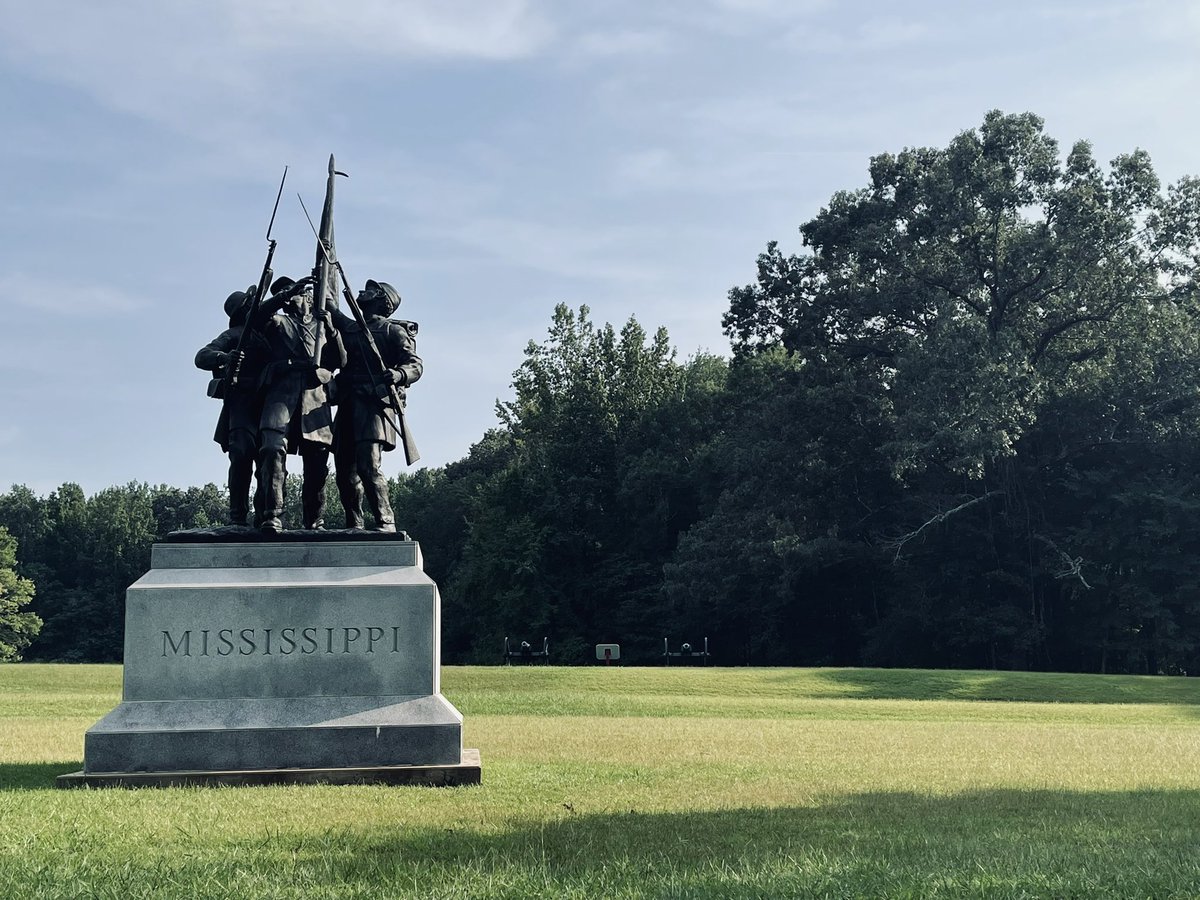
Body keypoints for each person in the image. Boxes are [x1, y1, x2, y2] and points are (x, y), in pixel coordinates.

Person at [253, 275, 347, 532]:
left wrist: (332, 330)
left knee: (317, 464)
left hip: (314, 400)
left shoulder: (322, 325)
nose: (286, 296)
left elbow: (340, 361)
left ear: (306, 295)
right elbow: (256, 317)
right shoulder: (278, 322)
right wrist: (284, 295)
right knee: (272, 449)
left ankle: (314, 521)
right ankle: (273, 515)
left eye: (291, 290)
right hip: (280, 396)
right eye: (281, 293)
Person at [331, 280, 422, 532]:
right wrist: (326, 268)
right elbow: (330, 306)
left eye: (369, 290)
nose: (362, 291)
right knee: (344, 472)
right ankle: (354, 523)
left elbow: (415, 364)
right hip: (348, 405)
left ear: (381, 299)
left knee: (368, 466)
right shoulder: (351, 328)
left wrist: (399, 374)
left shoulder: (393, 331)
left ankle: (385, 520)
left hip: (374, 407)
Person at [194, 288, 270, 526]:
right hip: (240, 407)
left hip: (267, 405)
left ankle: (265, 516)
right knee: (241, 456)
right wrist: (224, 358)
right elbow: (202, 356)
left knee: (268, 462)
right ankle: (237, 516)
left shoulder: (269, 333)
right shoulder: (234, 334)